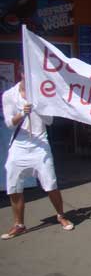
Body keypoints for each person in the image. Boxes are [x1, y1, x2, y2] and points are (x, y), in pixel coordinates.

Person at [1, 70, 74, 240]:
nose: (30, 76)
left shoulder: (43, 93)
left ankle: (61, 215)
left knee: (51, 183)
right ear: (22, 74)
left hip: (40, 145)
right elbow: (9, 123)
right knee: (13, 185)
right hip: (19, 145)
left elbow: (49, 121)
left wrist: (40, 105)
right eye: (27, 72)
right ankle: (19, 224)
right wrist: (22, 113)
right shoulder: (9, 95)